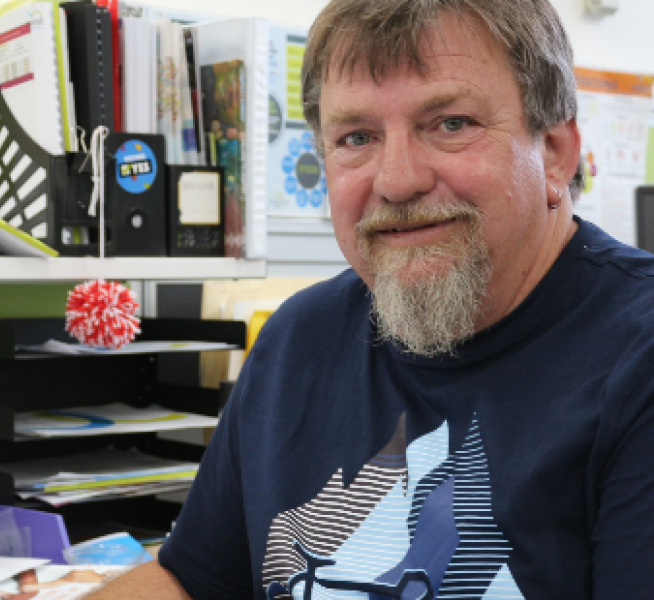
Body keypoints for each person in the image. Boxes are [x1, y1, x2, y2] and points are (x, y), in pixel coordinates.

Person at [87, 0, 654, 597]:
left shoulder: (636, 359)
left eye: (450, 124)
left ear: (555, 153)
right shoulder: (299, 338)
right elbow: (191, 581)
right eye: (356, 136)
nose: (398, 179)